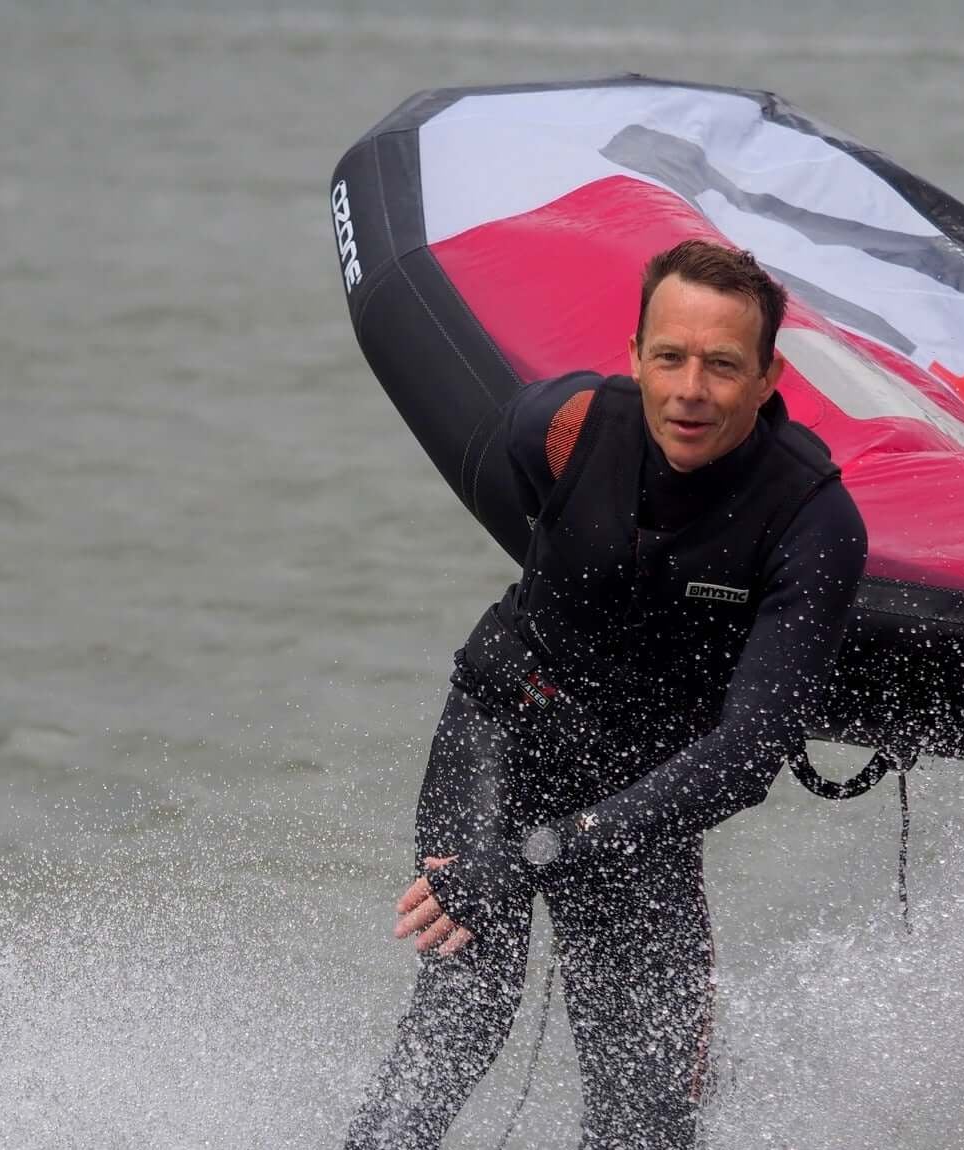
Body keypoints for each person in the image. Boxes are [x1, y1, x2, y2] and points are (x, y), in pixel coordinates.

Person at [344, 240, 868, 1149]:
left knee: (646, 1115)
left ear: (769, 374)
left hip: (643, 795)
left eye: (721, 365)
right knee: (459, 1021)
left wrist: (540, 853)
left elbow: (745, 758)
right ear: (634, 355)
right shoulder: (562, 423)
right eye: (668, 357)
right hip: (502, 729)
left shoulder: (811, 519)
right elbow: (528, 522)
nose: (689, 390)